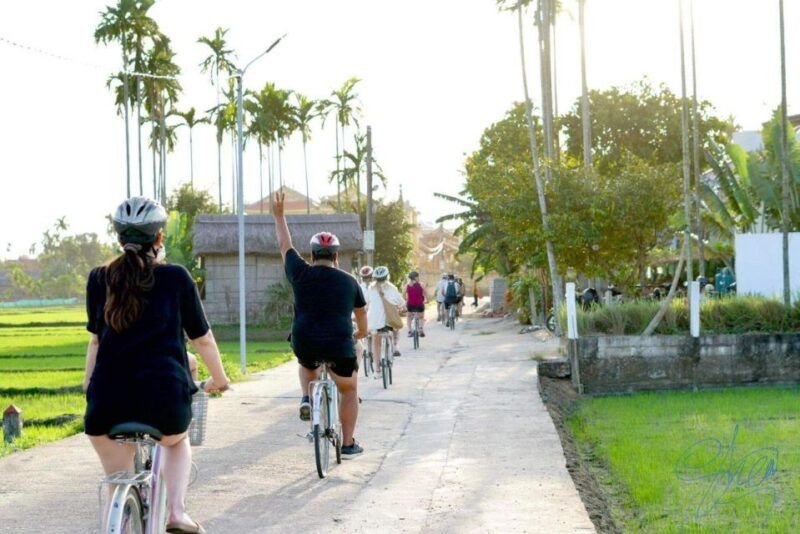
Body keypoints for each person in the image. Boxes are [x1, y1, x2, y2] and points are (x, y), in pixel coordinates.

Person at [83, 197, 230, 534]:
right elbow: (202, 339)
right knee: (176, 441)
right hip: (163, 397)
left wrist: (88, 384)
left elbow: (95, 341)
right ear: (159, 238)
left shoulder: (98, 278)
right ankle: (177, 513)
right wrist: (219, 379)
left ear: (119, 238)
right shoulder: (176, 277)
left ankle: (117, 519)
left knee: (115, 479)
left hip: (106, 401)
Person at [273, 192, 368, 458]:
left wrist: (279, 216)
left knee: (306, 364)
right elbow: (361, 316)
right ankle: (348, 444)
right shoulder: (350, 281)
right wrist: (361, 332)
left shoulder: (300, 272)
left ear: (312, 255)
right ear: (336, 256)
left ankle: (306, 397)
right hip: (339, 343)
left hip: (305, 340)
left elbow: (284, 244)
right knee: (348, 390)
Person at [365, 266, 405, 373]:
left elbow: (366, 303)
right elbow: (401, 303)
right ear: (387, 277)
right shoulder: (392, 288)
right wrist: (403, 308)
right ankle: (393, 348)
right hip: (388, 322)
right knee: (392, 331)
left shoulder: (370, 288)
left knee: (375, 342)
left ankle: (377, 370)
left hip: (374, 323)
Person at [404, 271, 426, 337]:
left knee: (408, 317)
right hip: (419, 304)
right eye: (418, 276)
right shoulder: (421, 284)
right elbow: (426, 293)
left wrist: (405, 300)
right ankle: (421, 329)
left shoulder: (407, 285)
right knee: (421, 317)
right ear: (416, 277)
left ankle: (409, 331)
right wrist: (427, 299)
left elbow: (403, 294)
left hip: (410, 305)